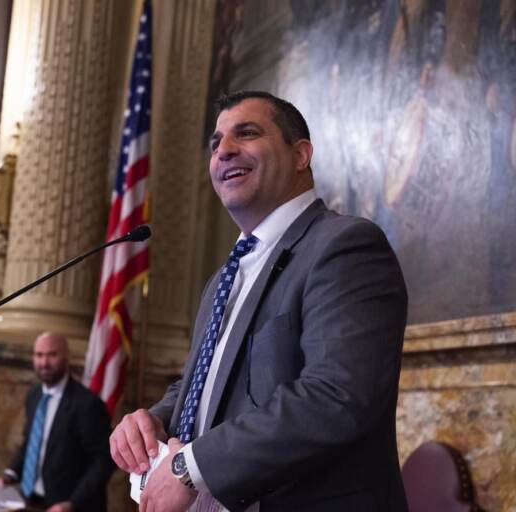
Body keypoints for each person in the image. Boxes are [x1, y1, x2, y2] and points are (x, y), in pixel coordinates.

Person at [110, 91, 409, 511]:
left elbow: (337, 395)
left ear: (301, 154)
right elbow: (204, 382)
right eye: (216, 144)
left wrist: (189, 468)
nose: (224, 151)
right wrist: (154, 422)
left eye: (246, 134)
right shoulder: (223, 278)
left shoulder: (344, 246)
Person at [0, 332, 114, 512]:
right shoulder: (34, 396)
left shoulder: (87, 403)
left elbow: (104, 461)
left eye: (52, 355)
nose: (44, 363)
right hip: (33, 500)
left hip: (71, 505)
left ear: (67, 357)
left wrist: (72, 503)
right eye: (39, 355)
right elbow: (31, 442)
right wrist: (9, 475)